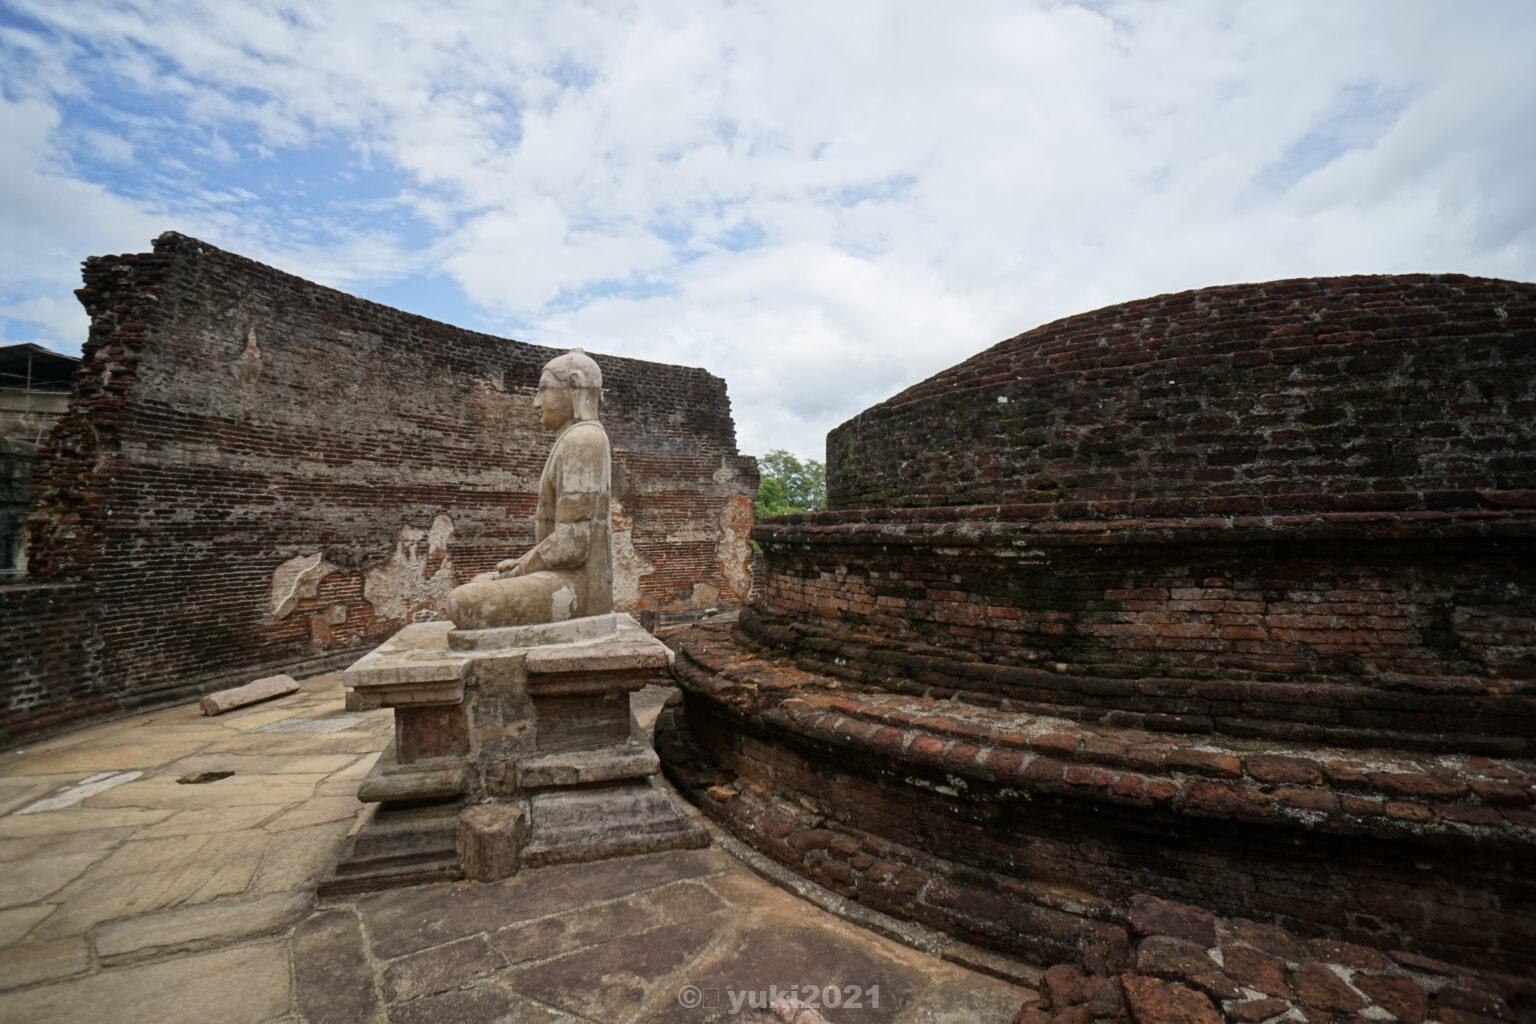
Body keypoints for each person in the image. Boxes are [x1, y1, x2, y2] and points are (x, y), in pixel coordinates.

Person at [447, 349, 613, 629]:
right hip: (564, 577)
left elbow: (572, 546)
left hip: (579, 588)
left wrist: (517, 572)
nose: (536, 403)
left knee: (463, 602)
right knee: (478, 586)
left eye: (543, 389)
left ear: (573, 385)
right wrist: (521, 564)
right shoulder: (573, 439)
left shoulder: (583, 440)